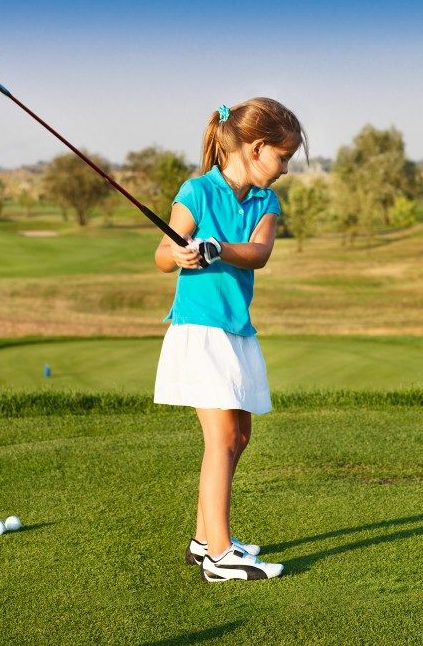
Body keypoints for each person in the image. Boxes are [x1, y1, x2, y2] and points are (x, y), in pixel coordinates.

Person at [153, 97, 305, 582]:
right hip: (199, 329)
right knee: (220, 438)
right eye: (282, 157)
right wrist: (179, 256)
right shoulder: (197, 192)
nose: (284, 169)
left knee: (240, 435)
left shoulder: (266, 202)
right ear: (258, 148)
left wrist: (218, 248)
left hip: (236, 328)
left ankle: (203, 541)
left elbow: (258, 253)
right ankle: (220, 555)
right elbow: (161, 254)